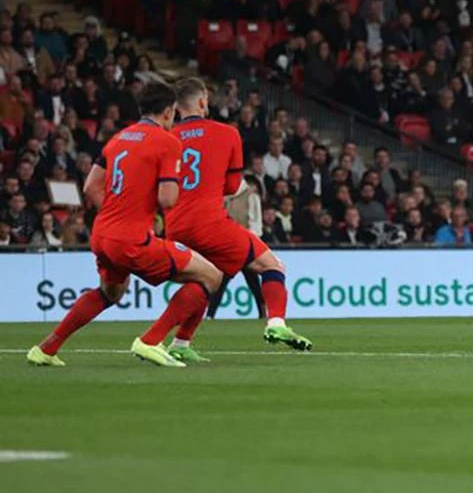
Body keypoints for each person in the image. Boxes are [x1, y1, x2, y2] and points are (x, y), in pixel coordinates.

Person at [27, 82, 224, 368]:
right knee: (211, 276)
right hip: (132, 239)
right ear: (169, 111)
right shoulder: (168, 142)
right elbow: (168, 199)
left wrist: (118, 211)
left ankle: (47, 348)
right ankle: (150, 341)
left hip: (103, 234)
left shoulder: (118, 138)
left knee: (110, 292)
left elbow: (91, 186)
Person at [163, 78, 312, 358]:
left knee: (207, 280)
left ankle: (180, 343)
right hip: (210, 223)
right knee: (273, 266)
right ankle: (276, 322)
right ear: (203, 102)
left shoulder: (165, 136)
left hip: (175, 226)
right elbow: (232, 188)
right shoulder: (227, 133)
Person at [207, 177, 266, 320]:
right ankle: (263, 311)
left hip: (245, 243)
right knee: (229, 281)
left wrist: (252, 243)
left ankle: (210, 314)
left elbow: (255, 222)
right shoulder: (224, 195)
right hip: (229, 244)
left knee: (247, 281)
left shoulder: (251, 196)